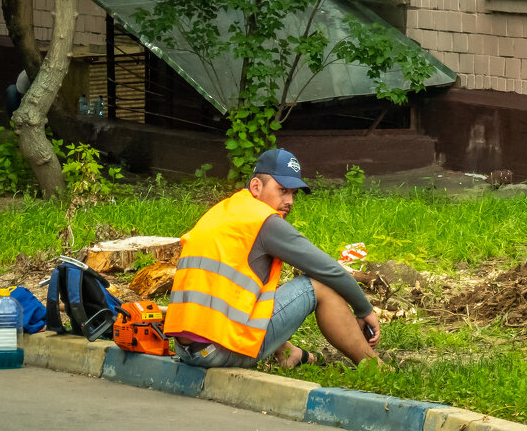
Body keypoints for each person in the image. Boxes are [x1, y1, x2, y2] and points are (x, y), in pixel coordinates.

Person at [165, 148, 384, 369]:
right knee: (319, 285)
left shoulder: (224, 211)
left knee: (256, 292)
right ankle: (376, 368)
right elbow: (329, 270)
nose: (289, 201)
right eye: (282, 190)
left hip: (187, 349)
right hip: (219, 351)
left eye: (293, 193)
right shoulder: (263, 221)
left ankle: (291, 353)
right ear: (256, 187)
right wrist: (364, 310)